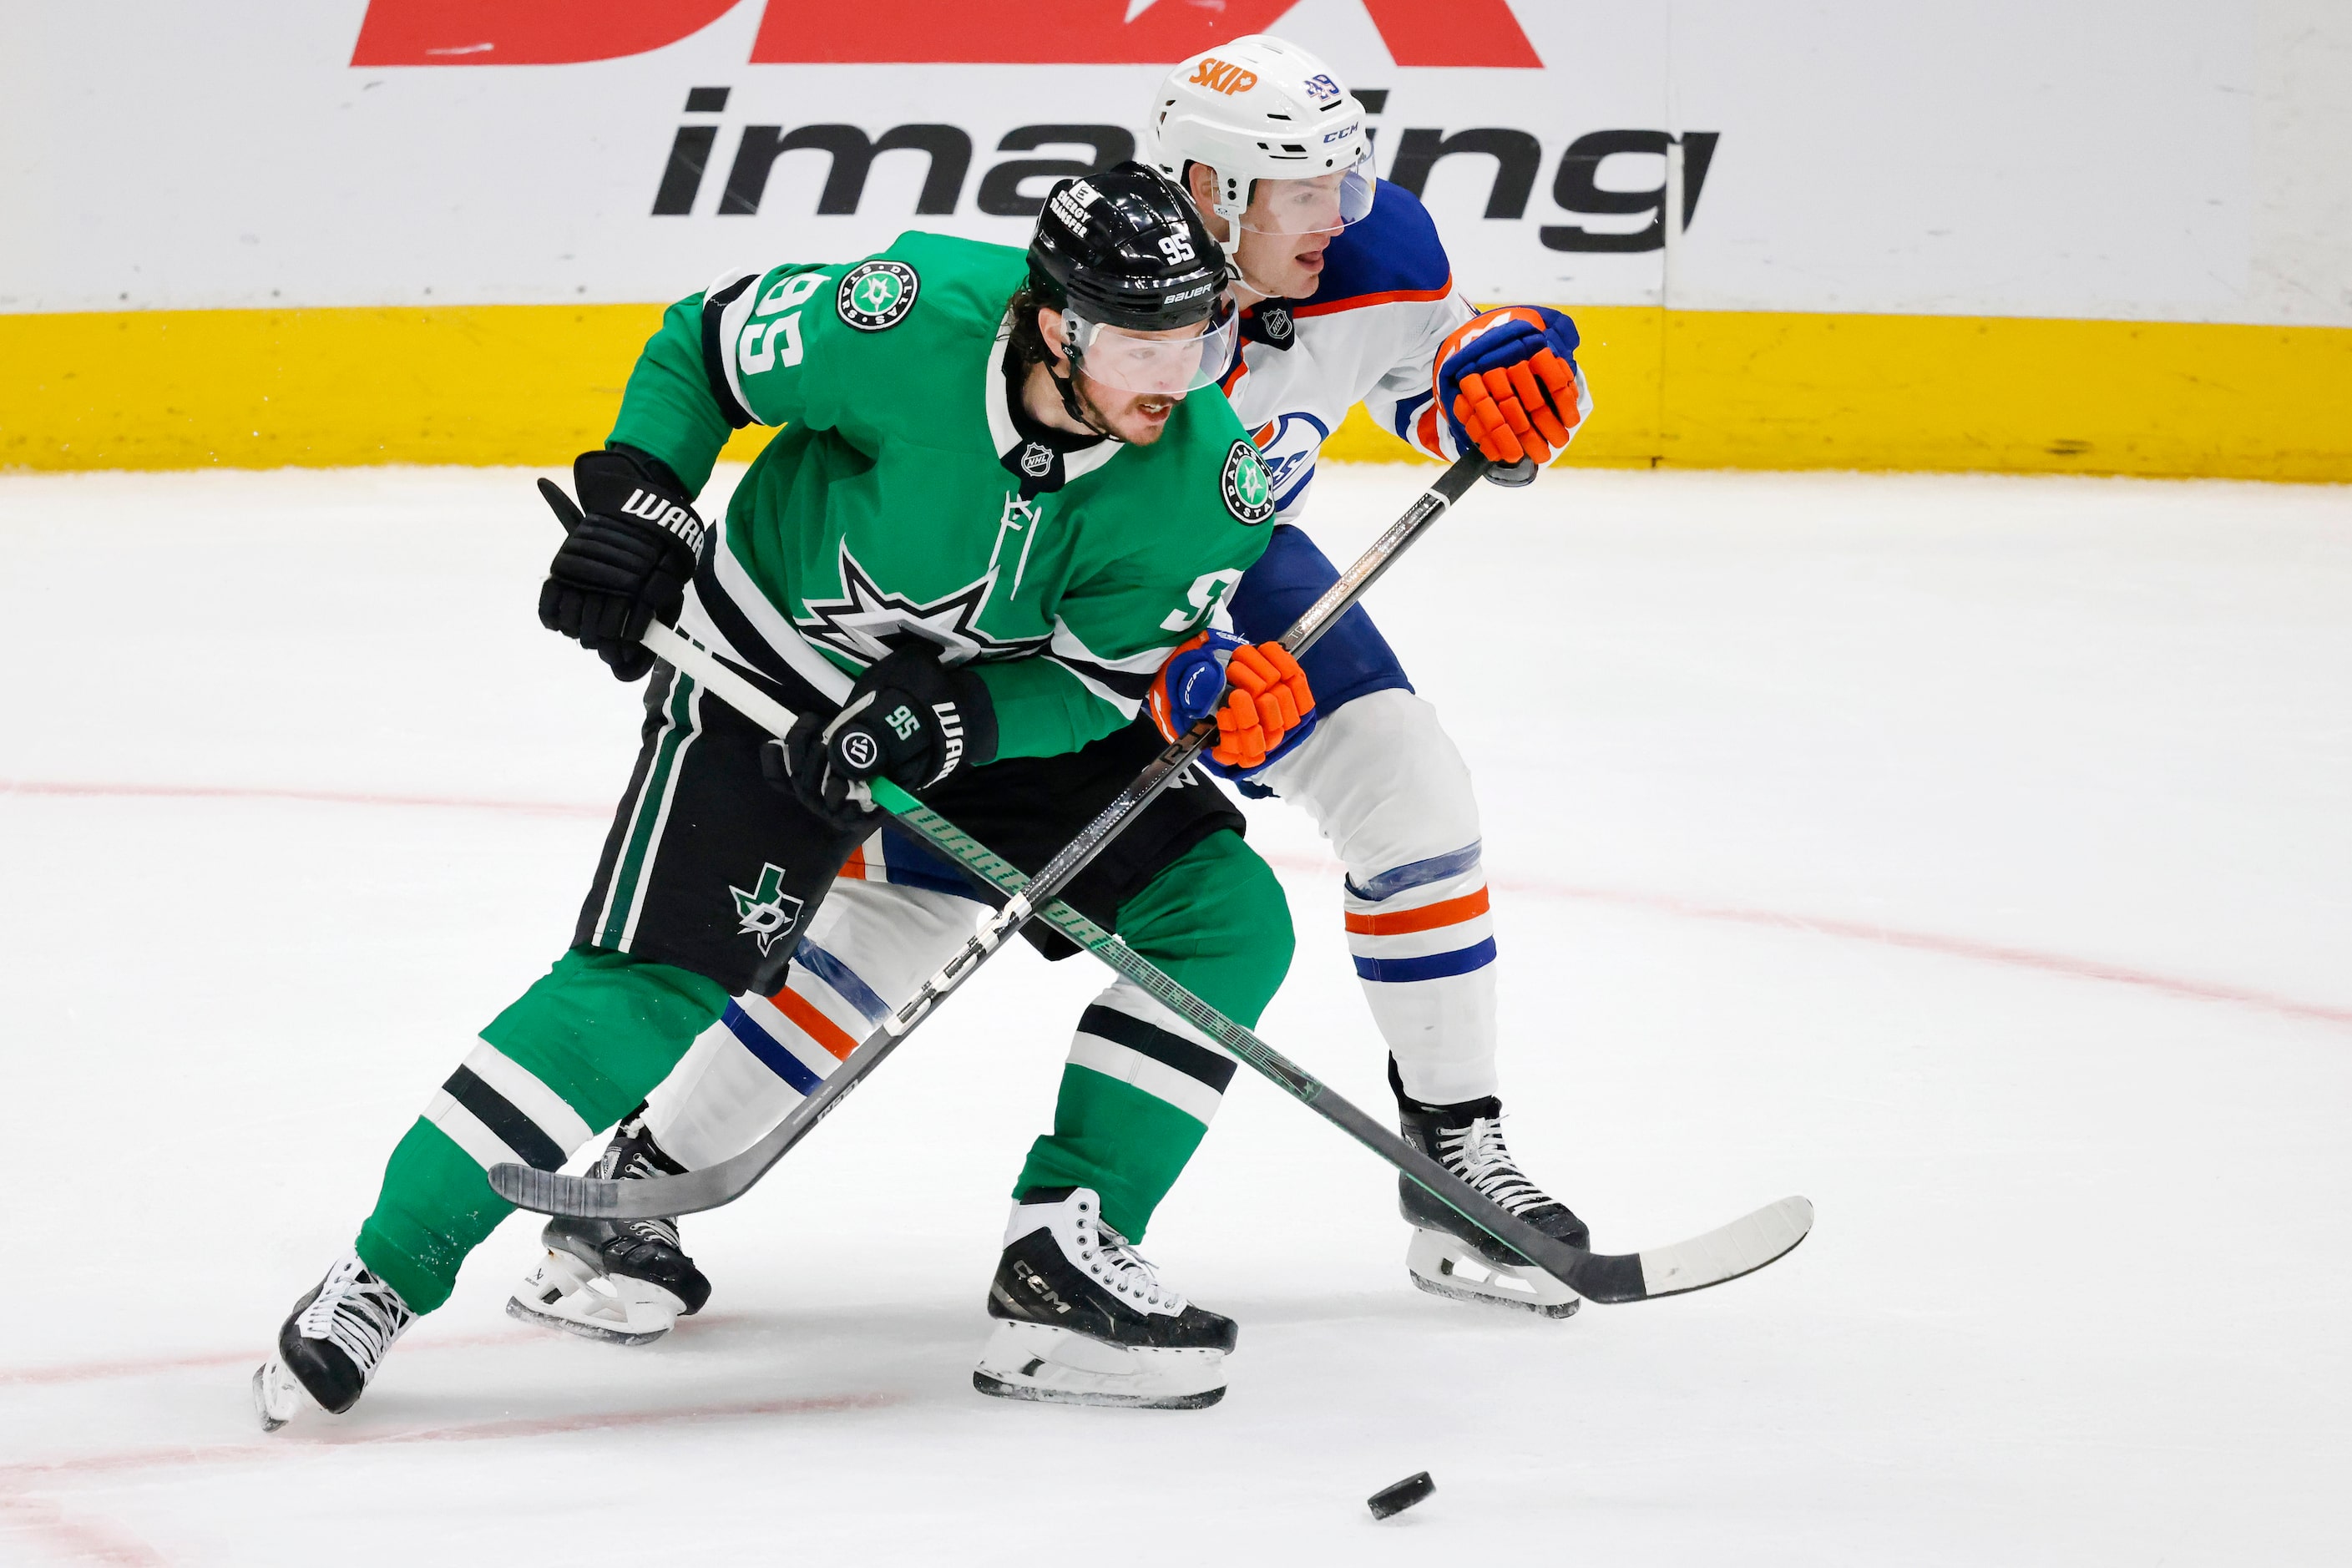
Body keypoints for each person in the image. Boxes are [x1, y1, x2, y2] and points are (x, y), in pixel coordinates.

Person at [508, 34, 1602, 1398]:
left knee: (1412, 794)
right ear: (1203, 185)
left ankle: (1453, 1153)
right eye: (1297, 185)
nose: (1342, 210)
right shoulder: (1098, 298)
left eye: (1344, 173)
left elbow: (1442, 381)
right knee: (905, 900)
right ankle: (643, 1176)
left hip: (1229, 584)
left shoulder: (1373, 250)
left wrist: (1516, 380)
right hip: (1048, 621)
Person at [252, 161, 1314, 1428]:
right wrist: (642, 506)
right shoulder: (904, 313)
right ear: (1049, 321)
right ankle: (383, 1270)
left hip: (986, 717)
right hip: (773, 676)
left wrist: (956, 719)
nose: (1169, 376)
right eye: (1139, 342)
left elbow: (1098, 684)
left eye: (1193, 341)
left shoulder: (1205, 478)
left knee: (1226, 913)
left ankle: (1063, 1250)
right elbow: (703, 347)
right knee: (644, 989)